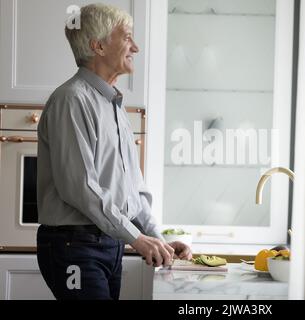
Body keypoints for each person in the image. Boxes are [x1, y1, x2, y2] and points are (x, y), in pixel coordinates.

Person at [36, 3, 192, 300]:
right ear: (98, 46)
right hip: (74, 247)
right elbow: (80, 188)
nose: (136, 47)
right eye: (128, 37)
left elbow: (132, 191)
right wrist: (137, 238)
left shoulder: (113, 105)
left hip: (107, 244)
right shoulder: (72, 100)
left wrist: (158, 239)